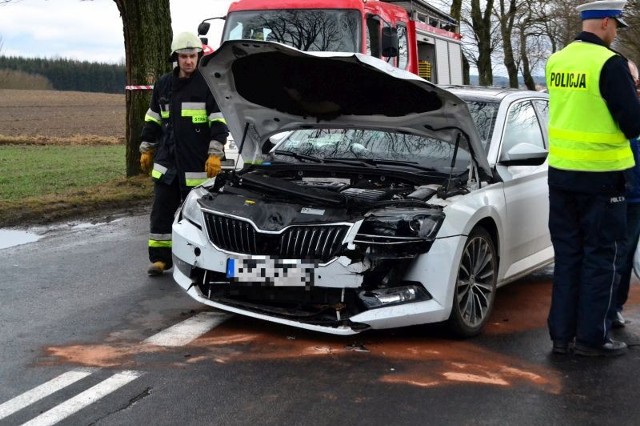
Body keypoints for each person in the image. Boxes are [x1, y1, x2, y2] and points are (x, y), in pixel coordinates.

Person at [545, 0, 640, 356]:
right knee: (601, 257)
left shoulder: (557, 60)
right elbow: (632, 123)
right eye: (615, 26)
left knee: (568, 255)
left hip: (562, 175)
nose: (616, 33)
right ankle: (591, 338)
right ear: (603, 22)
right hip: (603, 177)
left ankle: (561, 336)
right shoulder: (609, 64)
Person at [139, 31, 229, 276]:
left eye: (193, 56)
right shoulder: (163, 85)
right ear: (175, 58)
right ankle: (160, 259)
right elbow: (153, 119)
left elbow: (219, 122)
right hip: (167, 163)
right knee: (161, 212)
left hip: (196, 163)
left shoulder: (208, 85)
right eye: (184, 56)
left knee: (197, 217)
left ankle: (203, 263)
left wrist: (214, 154)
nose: (189, 61)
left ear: (199, 56)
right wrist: (146, 148)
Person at [610, 59, 640, 327]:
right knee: (617, 255)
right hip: (621, 193)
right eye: (631, 82)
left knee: (627, 255)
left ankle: (615, 306)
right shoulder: (618, 109)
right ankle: (608, 310)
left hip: (636, 197)